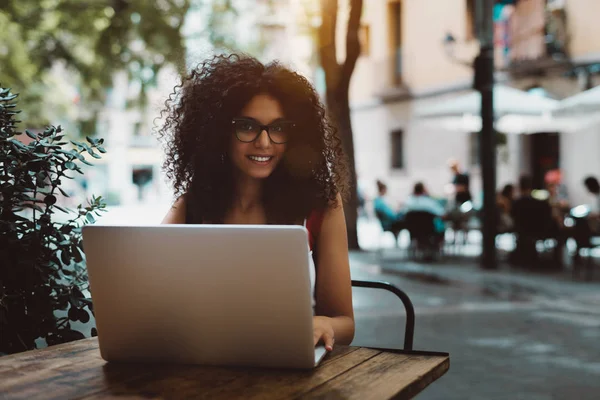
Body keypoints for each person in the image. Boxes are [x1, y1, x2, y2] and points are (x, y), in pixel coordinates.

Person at [159, 54, 354, 352]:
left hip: (288, 363)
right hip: (205, 356)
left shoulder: (320, 205)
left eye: (278, 128)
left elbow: (345, 323)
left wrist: (324, 324)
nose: (264, 143)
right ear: (219, 131)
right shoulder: (192, 205)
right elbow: (151, 287)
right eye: (247, 126)